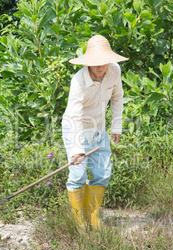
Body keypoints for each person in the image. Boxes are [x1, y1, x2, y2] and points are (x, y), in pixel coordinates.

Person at [62, 35, 128, 229]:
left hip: (98, 129)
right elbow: (74, 116)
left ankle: (93, 218)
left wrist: (116, 126)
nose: (100, 66)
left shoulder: (115, 71)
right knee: (78, 175)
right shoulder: (78, 82)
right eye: (96, 62)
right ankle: (78, 222)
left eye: (103, 62)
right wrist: (77, 149)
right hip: (76, 129)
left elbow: (117, 97)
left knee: (102, 173)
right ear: (88, 62)